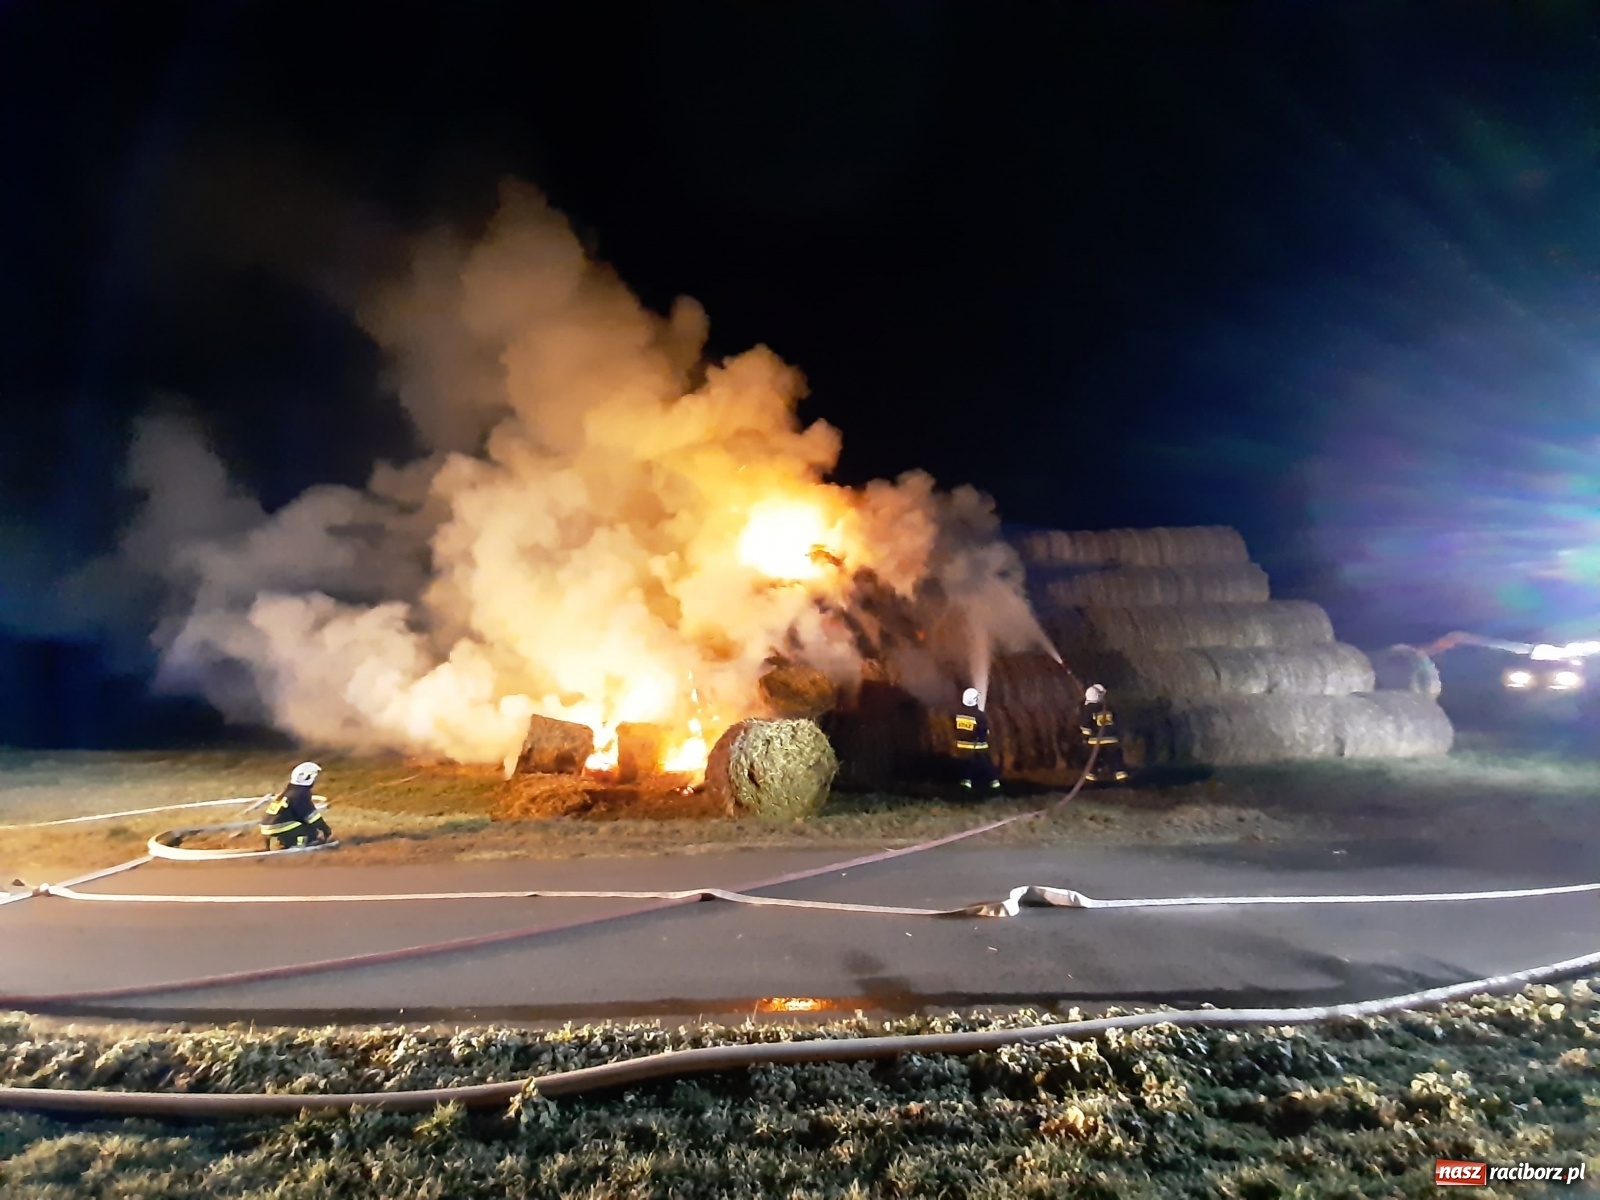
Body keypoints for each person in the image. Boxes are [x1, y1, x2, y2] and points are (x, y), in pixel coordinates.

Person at [259, 761, 334, 849]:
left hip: (267, 826)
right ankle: (297, 844)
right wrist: (325, 829)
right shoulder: (301, 793)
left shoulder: (289, 791)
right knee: (310, 832)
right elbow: (310, 815)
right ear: (308, 778)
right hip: (279, 825)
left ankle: (282, 841)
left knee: (301, 826)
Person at [954, 686, 1002, 793]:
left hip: (962, 745)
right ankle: (995, 785)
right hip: (977, 745)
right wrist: (986, 732)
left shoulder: (958, 713)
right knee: (987, 764)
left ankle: (966, 785)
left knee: (968, 766)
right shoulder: (979, 715)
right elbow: (983, 730)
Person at [1078, 684, 1130, 784]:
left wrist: (1085, 738)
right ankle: (1121, 776)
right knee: (1116, 758)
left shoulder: (1088, 710)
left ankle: (1091, 779)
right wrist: (1119, 736)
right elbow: (1117, 721)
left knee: (1093, 761)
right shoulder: (1109, 708)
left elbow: (1085, 725)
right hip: (1112, 740)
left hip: (1095, 742)